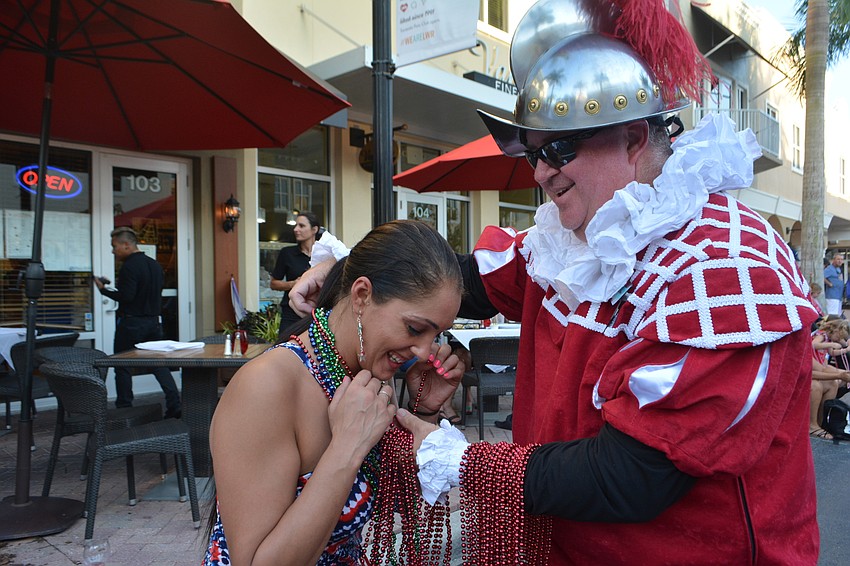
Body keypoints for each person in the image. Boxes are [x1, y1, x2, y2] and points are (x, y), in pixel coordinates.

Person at [293, 0, 822, 562]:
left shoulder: (724, 262)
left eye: (561, 147)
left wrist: (462, 462)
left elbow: (635, 474)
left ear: (635, 138)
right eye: (533, 153)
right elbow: (456, 279)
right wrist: (349, 269)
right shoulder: (571, 242)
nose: (542, 171)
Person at [203, 220, 465, 565]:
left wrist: (423, 411)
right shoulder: (266, 386)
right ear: (361, 295)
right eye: (415, 328)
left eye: (436, 335)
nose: (423, 350)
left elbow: (385, 498)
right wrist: (347, 447)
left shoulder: (366, 372)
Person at [94, 226, 181, 419]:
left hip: (131, 324)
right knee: (159, 364)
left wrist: (103, 290)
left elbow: (127, 296)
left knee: (123, 366)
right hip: (153, 322)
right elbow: (145, 292)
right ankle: (174, 403)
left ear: (126, 245)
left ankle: (125, 409)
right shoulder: (155, 265)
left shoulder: (130, 266)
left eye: (114, 246)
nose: (112, 250)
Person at [270, 211, 321, 339]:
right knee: (283, 349)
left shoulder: (324, 255)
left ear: (314, 229)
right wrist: (293, 284)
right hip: (290, 312)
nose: (296, 229)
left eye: (301, 226)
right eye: (296, 225)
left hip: (316, 312)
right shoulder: (287, 253)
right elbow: (273, 283)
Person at [810, 317, 850, 439]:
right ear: (835, 331)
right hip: (811, 363)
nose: (838, 340)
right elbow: (812, 345)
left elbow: (832, 354)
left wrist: (844, 349)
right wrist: (831, 343)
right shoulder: (822, 335)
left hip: (818, 363)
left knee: (832, 382)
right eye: (839, 337)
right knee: (816, 385)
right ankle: (812, 425)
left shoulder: (828, 338)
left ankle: (821, 422)